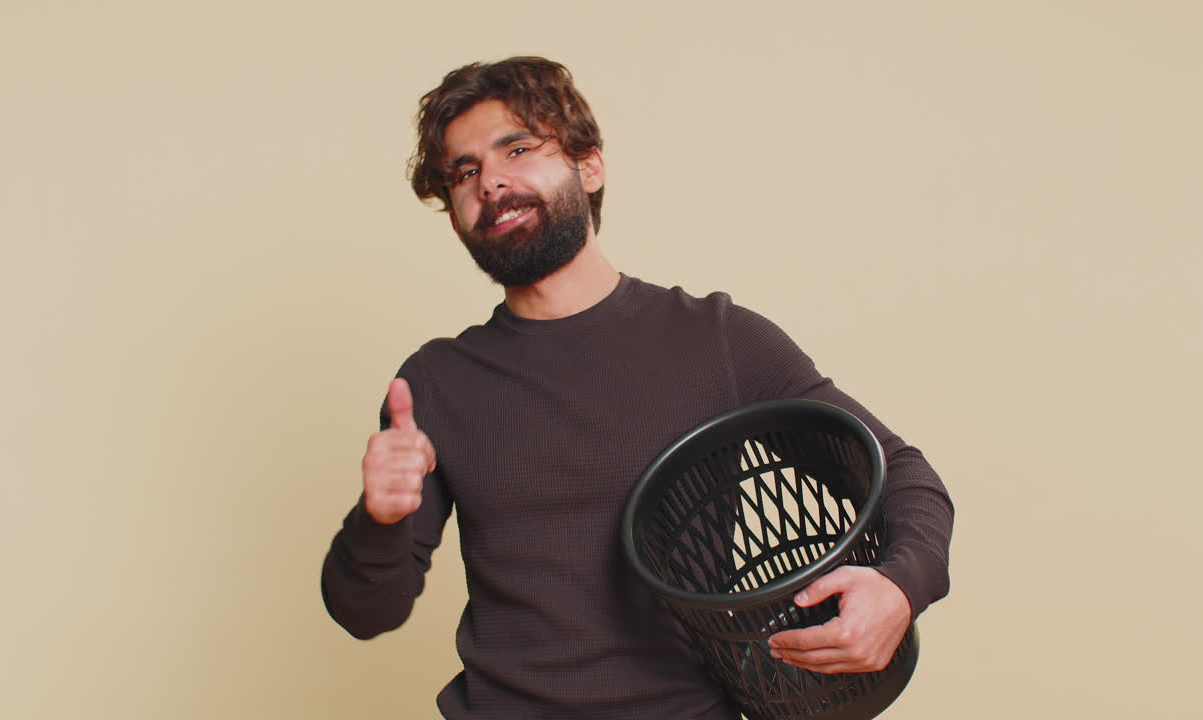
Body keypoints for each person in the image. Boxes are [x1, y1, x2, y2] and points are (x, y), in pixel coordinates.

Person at [321, 56, 953, 720]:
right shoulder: (435, 382)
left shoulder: (716, 339)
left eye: (518, 148)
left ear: (588, 165)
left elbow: (904, 476)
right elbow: (365, 613)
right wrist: (381, 520)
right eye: (465, 171)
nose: (492, 181)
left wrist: (899, 587)